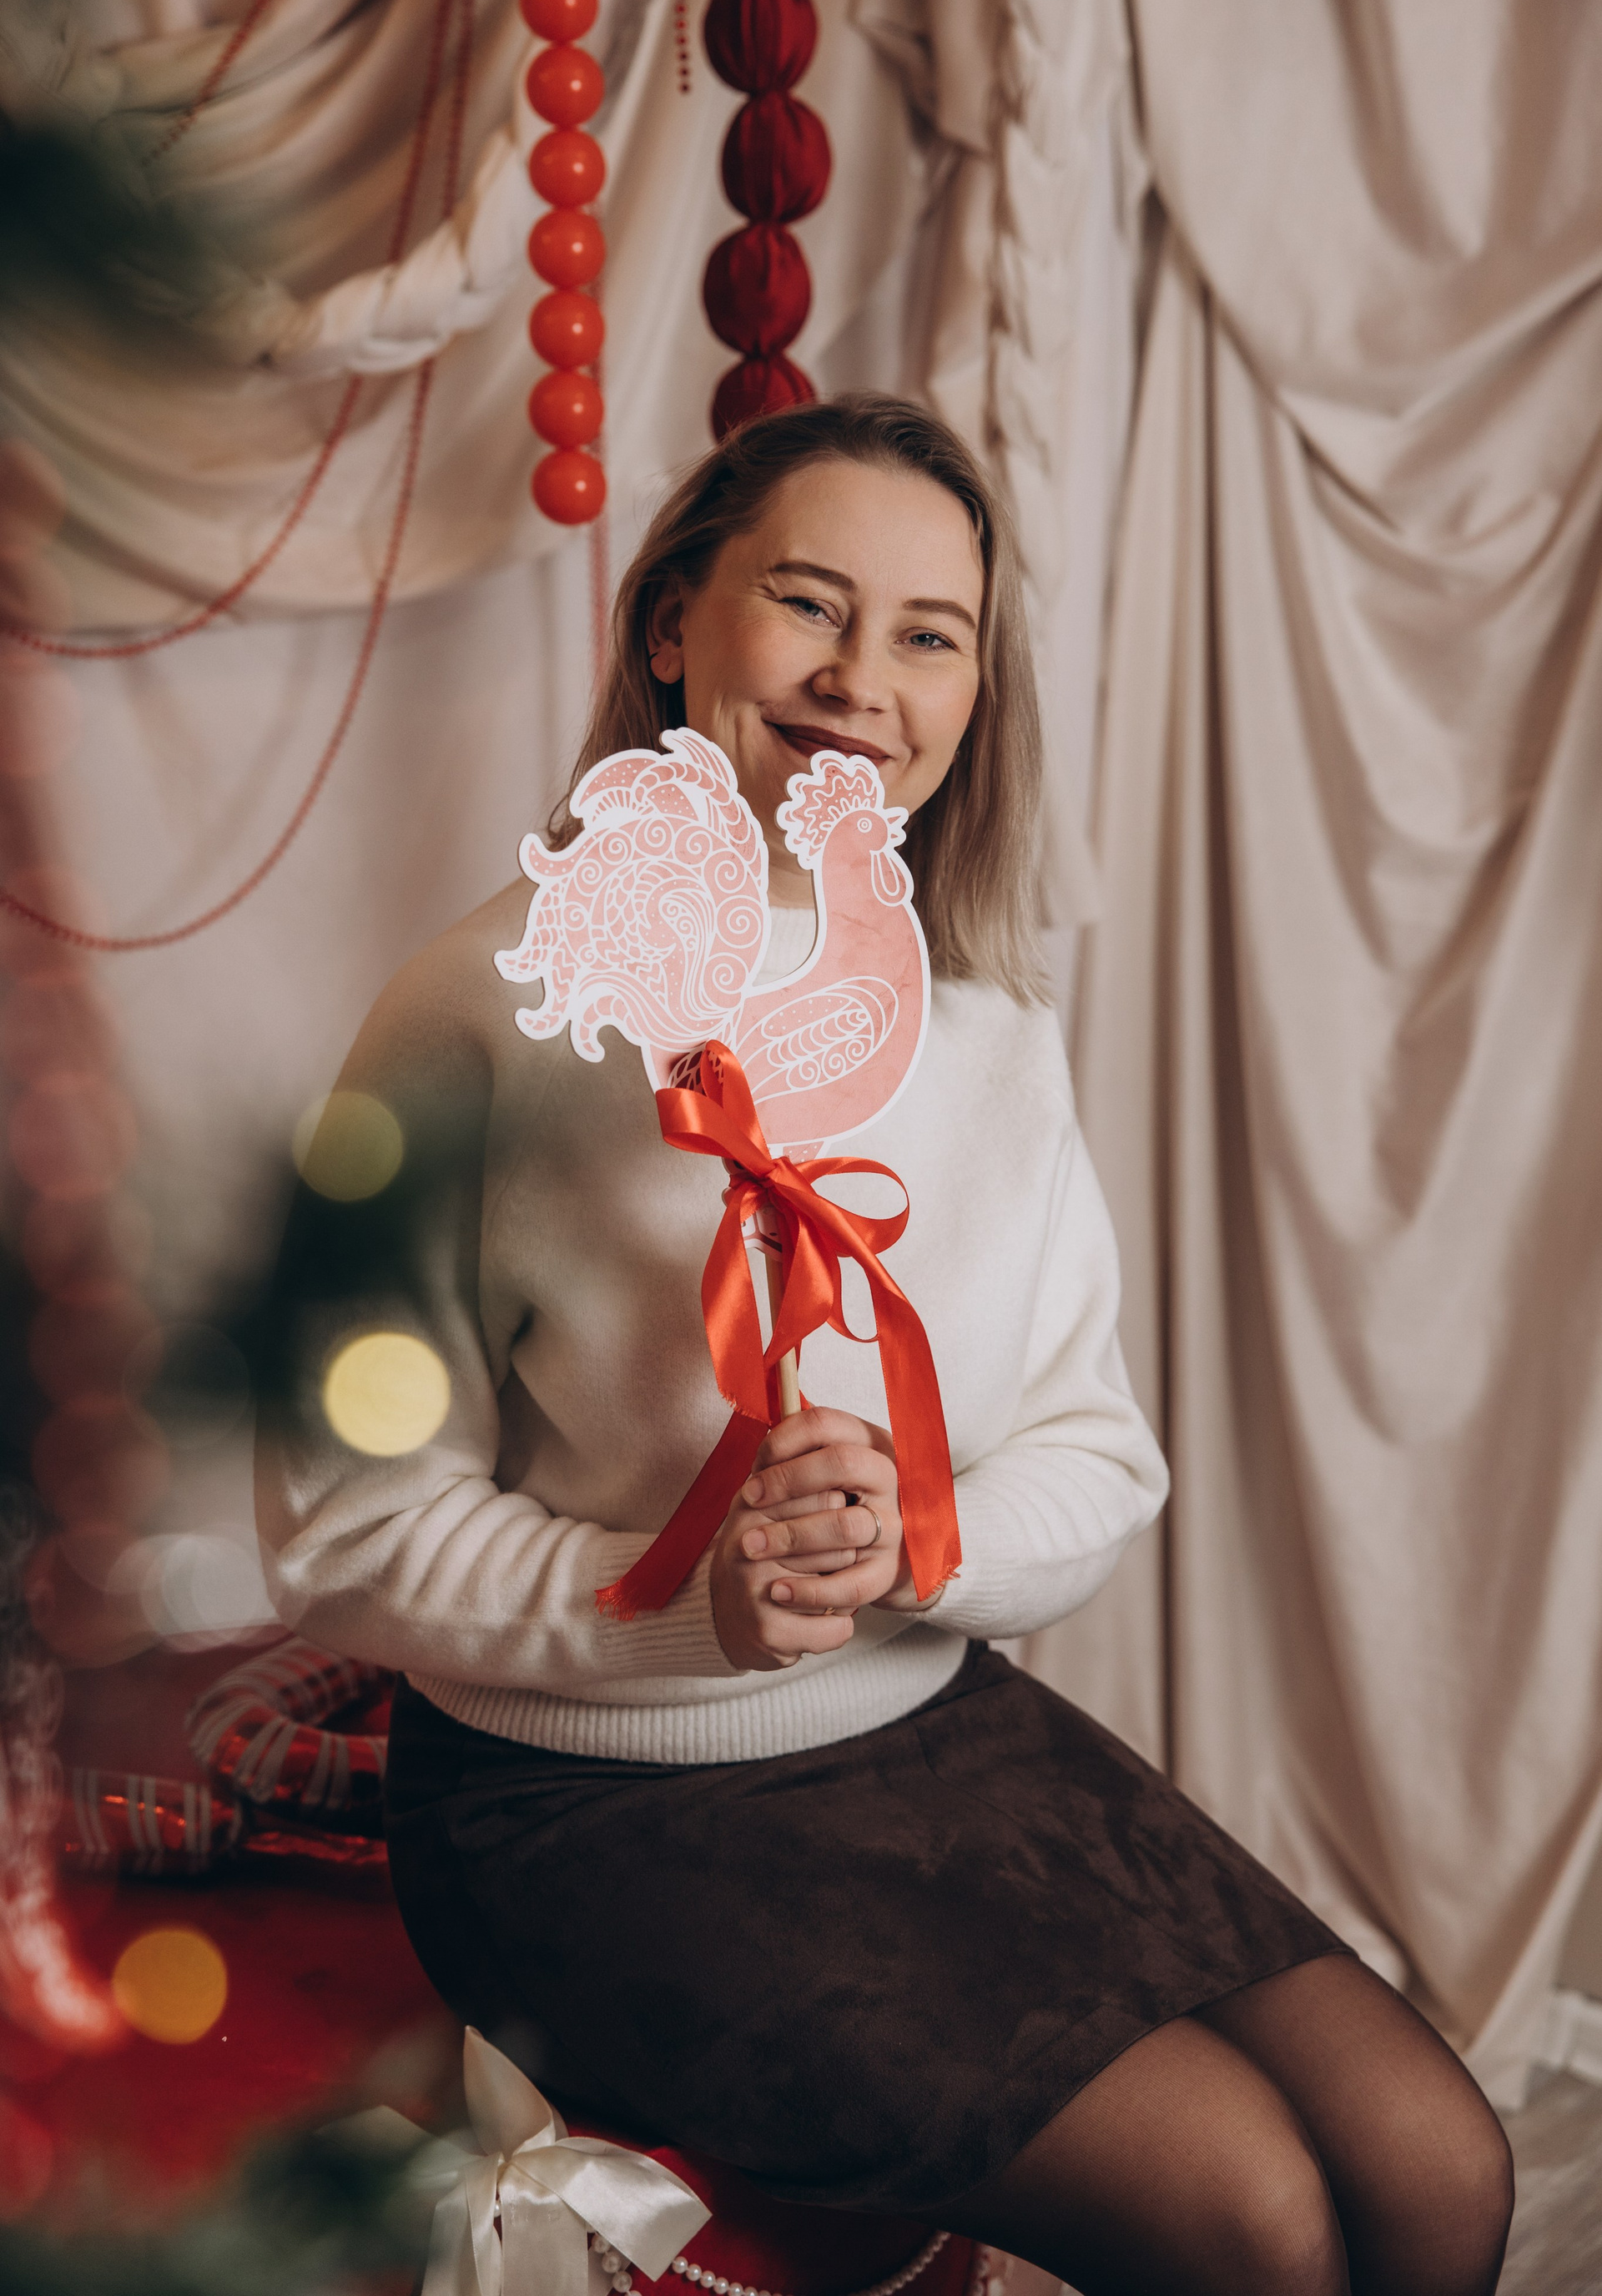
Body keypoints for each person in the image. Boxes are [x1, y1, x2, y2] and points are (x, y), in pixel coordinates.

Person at [256, 395, 1514, 2296]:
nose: (864, 680)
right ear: (672, 620)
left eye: (931, 634)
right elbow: (341, 1527)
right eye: (810, 604)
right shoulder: (478, 1013)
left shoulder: (991, 1022)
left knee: (1439, 2168)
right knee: (1248, 2219)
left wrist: (916, 1547)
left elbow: (1096, 1456)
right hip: (577, 1805)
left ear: (976, 694)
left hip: (930, 1727)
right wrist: (689, 1599)